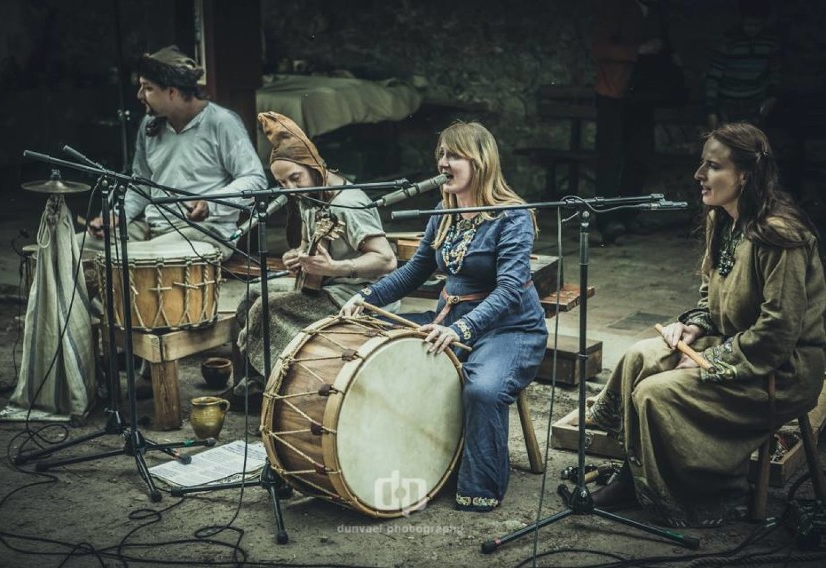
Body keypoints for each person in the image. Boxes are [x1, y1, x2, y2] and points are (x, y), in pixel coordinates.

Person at [587, 122, 826, 527]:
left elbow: (778, 332)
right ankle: (636, 476)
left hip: (781, 368)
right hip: (737, 343)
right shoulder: (724, 220)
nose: (699, 176)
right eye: (702, 165)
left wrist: (711, 359)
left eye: (712, 167)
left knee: (654, 394)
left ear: (744, 176)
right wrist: (695, 327)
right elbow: (710, 297)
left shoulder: (780, 236)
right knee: (639, 356)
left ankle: (703, 494)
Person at [340, 121, 548, 512]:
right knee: (373, 344)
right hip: (451, 321)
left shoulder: (512, 216)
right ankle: (407, 462)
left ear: (480, 161)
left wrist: (463, 327)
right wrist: (366, 297)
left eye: (453, 155)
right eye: (441, 154)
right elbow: (415, 270)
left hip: (510, 328)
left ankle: (479, 487)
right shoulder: (444, 209)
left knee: (483, 390)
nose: (443, 162)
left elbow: (507, 289)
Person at [228, 111, 398, 403]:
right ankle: (252, 385)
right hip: (328, 285)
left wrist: (335, 267)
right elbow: (311, 245)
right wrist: (297, 257)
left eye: (295, 178)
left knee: (265, 308)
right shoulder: (312, 196)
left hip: (360, 295)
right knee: (251, 293)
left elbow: (386, 261)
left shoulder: (348, 204)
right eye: (282, 184)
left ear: (313, 166)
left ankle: (283, 393)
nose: (291, 189)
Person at [83, 45, 266, 260]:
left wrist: (211, 204)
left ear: (172, 91)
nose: (139, 95)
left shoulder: (221, 122)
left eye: (148, 88)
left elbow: (255, 179)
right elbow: (141, 182)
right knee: (77, 248)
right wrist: (116, 217)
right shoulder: (149, 124)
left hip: (206, 233)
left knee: (126, 257)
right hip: (154, 230)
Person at [592, 0, 682, 244]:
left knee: (639, 156)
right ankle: (607, 220)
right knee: (610, 158)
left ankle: (628, 214)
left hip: (642, 95)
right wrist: (638, 50)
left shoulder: (655, 13)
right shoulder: (615, 8)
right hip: (614, 94)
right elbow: (600, 48)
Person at [704, 0, 781, 130]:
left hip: (755, 103)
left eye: (758, 25)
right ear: (741, 20)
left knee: (752, 144)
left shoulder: (770, 42)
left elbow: (775, 72)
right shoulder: (729, 41)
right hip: (727, 103)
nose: (753, 29)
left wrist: (772, 97)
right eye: (749, 24)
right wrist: (711, 111)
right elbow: (713, 77)